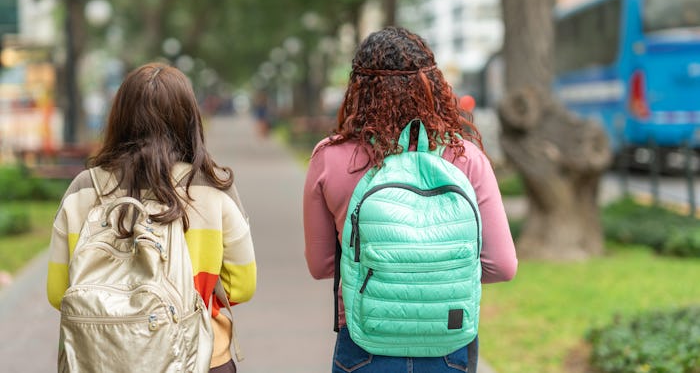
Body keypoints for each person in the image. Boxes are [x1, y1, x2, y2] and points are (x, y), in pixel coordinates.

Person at [303, 27, 518, 372]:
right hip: (448, 341)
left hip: (365, 337)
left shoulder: (329, 158)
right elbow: (503, 266)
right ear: (432, 85)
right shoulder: (465, 158)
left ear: (358, 88)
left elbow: (321, 266)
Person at [47, 62, 256, 373]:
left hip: (99, 360)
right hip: (200, 357)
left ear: (119, 117)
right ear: (189, 120)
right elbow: (242, 286)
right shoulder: (213, 187)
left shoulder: (83, 189)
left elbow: (58, 292)